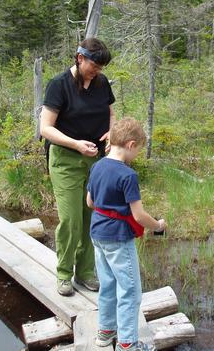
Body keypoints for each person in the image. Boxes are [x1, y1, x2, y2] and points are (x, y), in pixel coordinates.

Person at [40, 38, 115, 296]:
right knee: (71, 219)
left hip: (94, 160)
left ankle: (84, 273)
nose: (98, 71)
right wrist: (76, 144)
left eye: (101, 67)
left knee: (90, 217)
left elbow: (110, 112)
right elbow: (46, 128)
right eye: (95, 65)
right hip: (65, 159)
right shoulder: (58, 86)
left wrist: (111, 132)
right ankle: (64, 274)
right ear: (80, 58)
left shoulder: (102, 83)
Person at [86, 118, 166, 350]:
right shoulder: (127, 175)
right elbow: (139, 216)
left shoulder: (97, 166)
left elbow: (90, 202)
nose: (137, 155)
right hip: (119, 239)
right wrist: (158, 225)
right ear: (131, 144)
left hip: (97, 234)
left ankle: (105, 332)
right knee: (130, 291)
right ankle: (128, 344)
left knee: (108, 284)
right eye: (138, 150)